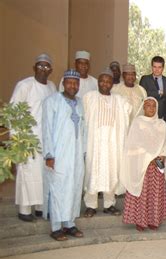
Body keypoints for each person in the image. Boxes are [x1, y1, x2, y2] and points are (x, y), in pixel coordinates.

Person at [10, 53, 57, 222]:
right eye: (40, 66)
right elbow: (13, 114)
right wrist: (17, 141)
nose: (43, 69)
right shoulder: (24, 86)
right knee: (28, 173)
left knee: (43, 173)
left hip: (46, 138)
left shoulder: (52, 87)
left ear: (51, 69)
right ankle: (24, 209)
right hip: (28, 139)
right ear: (34, 67)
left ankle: (40, 207)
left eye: (46, 66)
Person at [42, 69, 85, 241]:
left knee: (73, 187)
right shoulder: (52, 101)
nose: (72, 86)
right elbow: (46, 129)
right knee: (58, 188)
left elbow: (83, 129)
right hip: (59, 154)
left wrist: (84, 153)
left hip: (76, 155)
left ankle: (69, 224)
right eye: (69, 82)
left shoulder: (80, 103)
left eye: (75, 83)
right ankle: (55, 227)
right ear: (63, 83)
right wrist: (49, 154)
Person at [82, 68, 131, 218]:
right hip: (94, 143)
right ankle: (91, 205)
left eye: (108, 81)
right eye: (102, 81)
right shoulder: (89, 97)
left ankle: (109, 204)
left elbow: (129, 111)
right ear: (98, 82)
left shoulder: (119, 100)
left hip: (112, 144)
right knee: (92, 173)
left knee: (111, 172)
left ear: (112, 84)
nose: (105, 83)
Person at [121, 97, 166, 231]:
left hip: (156, 166)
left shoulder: (161, 124)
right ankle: (140, 221)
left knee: (155, 194)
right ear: (143, 108)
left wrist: (163, 155)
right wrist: (147, 155)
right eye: (148, 106)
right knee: (142, 194)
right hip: (141, 166)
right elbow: (133, 144)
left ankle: (153, 220)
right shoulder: (137, 123)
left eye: (153, 106)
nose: (151, 108)